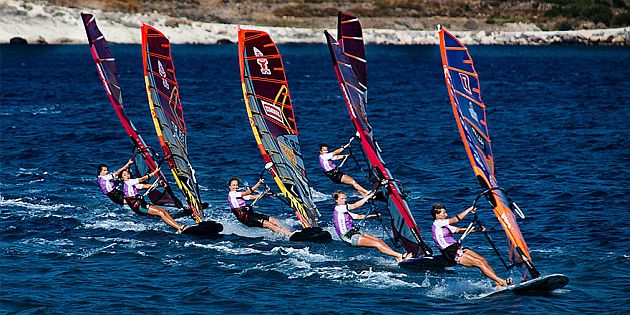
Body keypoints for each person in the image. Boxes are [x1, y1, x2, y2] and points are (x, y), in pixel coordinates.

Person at [430, 203, 513, 287]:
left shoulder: (444, 225)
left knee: (482, 260)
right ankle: (502, 282)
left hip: (456, 247)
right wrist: (469, 209)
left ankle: (498, 284)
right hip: (450, 251)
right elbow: (456, 219)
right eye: (444, 213)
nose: (446, 214)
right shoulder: (437, 223)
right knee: (479, 263)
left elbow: (459, 230)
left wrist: (477, 230)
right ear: (437, 215)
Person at [332, 190, 411, 262]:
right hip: (348, 237)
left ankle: (396, 257)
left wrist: (374, 216)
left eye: (345, 198)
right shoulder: (339, 208)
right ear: (336, 200)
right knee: (376, 244)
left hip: (353, 233)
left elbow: (359, 217)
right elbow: (355, 205)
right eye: (342, 199)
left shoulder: (344, 211)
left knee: (379, 241)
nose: (345, 200)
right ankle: (401, 256)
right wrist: (368, 196)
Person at [121, 167, 186, 233]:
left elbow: (147, 186)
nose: (127, 176)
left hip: (142, 204)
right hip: (138, 206)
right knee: (161, 213)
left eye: (128, 174)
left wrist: (159, 185)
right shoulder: (128, 182)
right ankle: (179, 228)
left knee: (164, 211)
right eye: (125, 175)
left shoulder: (132, 185)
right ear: (122, 178)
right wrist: (155, 172)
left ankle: (179, 227)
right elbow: (142, 179)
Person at [227, 177, 292, 237]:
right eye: (233, 185)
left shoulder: (238, 195)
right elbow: (248, 192)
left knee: (273, 220)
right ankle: (289, 235)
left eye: (236, 185)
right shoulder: (232, 194)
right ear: (229, 186)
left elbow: (254, 197)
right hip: (246, 218)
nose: (235, 187)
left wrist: (269, 194)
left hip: (250, 214)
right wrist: (259, 183)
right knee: (268, 224)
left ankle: (289, 231)